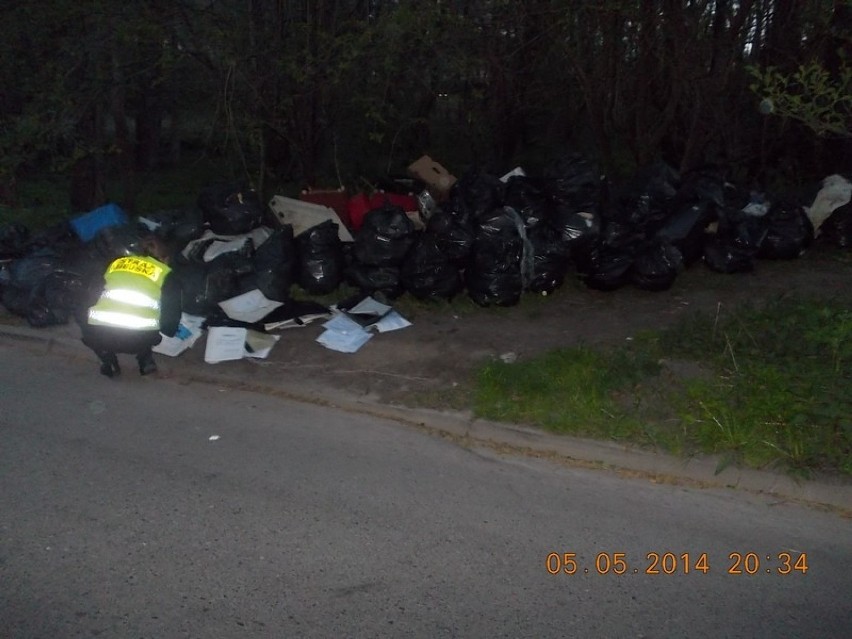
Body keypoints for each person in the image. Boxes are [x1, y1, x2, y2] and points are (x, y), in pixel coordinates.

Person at [80, 235, 181, 377]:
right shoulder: (165, 275)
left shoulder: (115, 264)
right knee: (149, 322)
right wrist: (168, 330)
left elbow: (90, 297)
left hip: (100, 336)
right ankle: (145, 360)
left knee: (83, 316)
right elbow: (170, 319)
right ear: (165, 258)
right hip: (139, 340)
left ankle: (108, 361)